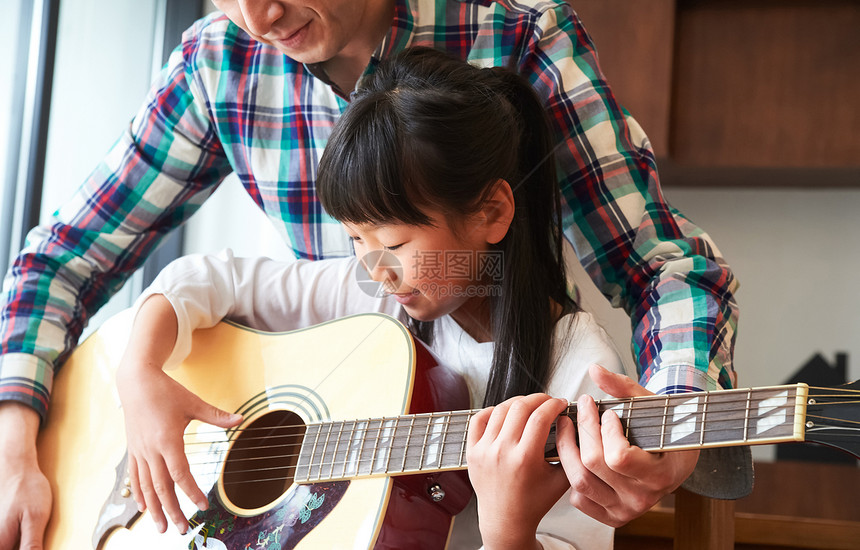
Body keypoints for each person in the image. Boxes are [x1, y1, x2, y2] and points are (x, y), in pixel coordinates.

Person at [0, 1, 745, 548]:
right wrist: (44, 426)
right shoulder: (218, 59)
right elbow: (65, 259)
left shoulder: (518, 31)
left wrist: (673, 418)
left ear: (493, 210)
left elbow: (660, 264)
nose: (257, 17)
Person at [115, 47, 659, 549]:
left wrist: (507, 528)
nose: (375, 268)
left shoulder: (582, 372)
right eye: (356, 239)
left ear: (491, 213)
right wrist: (139, 372)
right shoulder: (377, 306)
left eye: (395, 242)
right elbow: (202, 279)